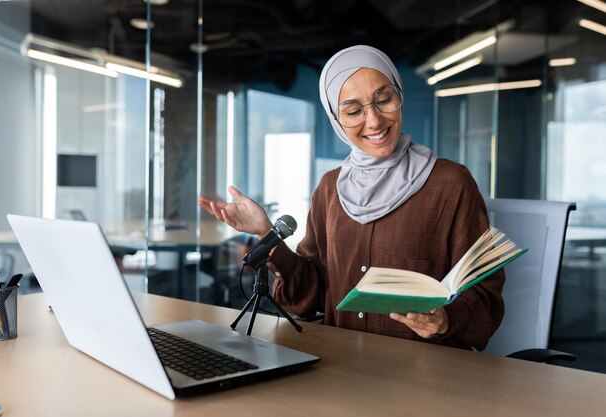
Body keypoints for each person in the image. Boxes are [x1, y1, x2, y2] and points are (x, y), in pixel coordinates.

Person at [199, 45, 504, 351]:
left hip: (426, 376)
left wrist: (447, 319)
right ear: (336, 118)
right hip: (341, 368)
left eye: (384, 99)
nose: (374, 121)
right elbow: (309, 297)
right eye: (354, 110)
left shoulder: (450, 184)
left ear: (400, 97)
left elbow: (486, 298)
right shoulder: (331, 189)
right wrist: (267, 234)